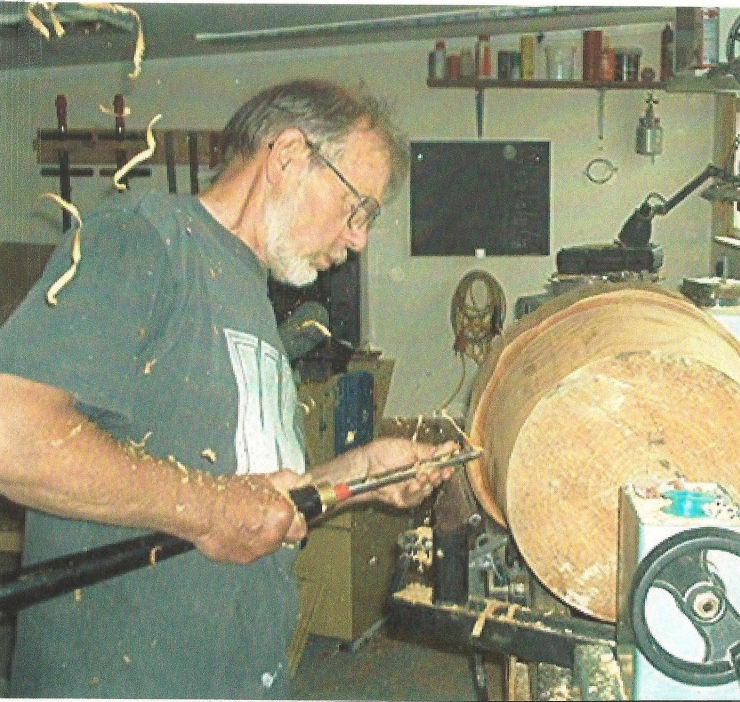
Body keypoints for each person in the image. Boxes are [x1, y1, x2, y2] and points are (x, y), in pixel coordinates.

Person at [0, 78, 457, 698]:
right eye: (358, 207)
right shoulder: (145, 238)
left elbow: (253, 500)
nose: (359, 238)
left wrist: (362, 470)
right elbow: (13, 434)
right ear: (290, 155)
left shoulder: (249, 293)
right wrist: (213, 509)